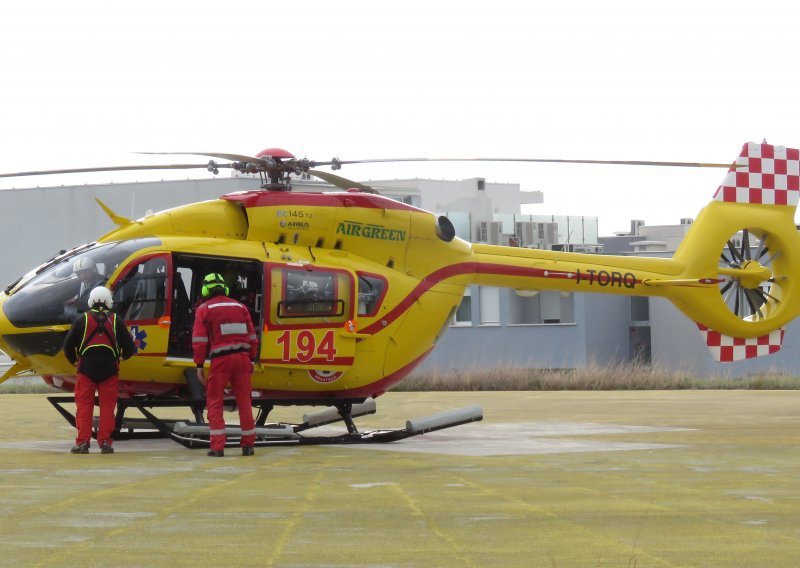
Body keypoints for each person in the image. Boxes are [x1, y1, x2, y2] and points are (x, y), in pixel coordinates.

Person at [192, 272, 259, 457]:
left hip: (221, 361)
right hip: (242, 359)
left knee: (214, 401)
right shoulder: (241, 307)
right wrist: (251, 359)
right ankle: (248, 445)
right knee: (245, 402)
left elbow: (199, 340)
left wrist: (199, 365)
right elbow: (252, 337)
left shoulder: (204, 309)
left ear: (206, 289)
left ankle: (218, 447)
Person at [62, 286, 136, 454]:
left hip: (85, 371)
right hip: (109, 371)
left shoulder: (82, 320)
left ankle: (82, 443)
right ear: (109, 301)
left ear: (91, 301)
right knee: (108, 409)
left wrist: (74, 361)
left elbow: (67, 347)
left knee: (84, 408)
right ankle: (105, 443)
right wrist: (122, 358)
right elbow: (130, 349)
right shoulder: (116, 320)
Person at [64, 256, 106, 321]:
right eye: (80, 273)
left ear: (93, 270)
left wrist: (75, 304)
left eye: (85, 272)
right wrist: (75, 299)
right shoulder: (85, 283)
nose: (83, 276)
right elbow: (82, 295)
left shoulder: (101, 284)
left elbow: (89, 304)